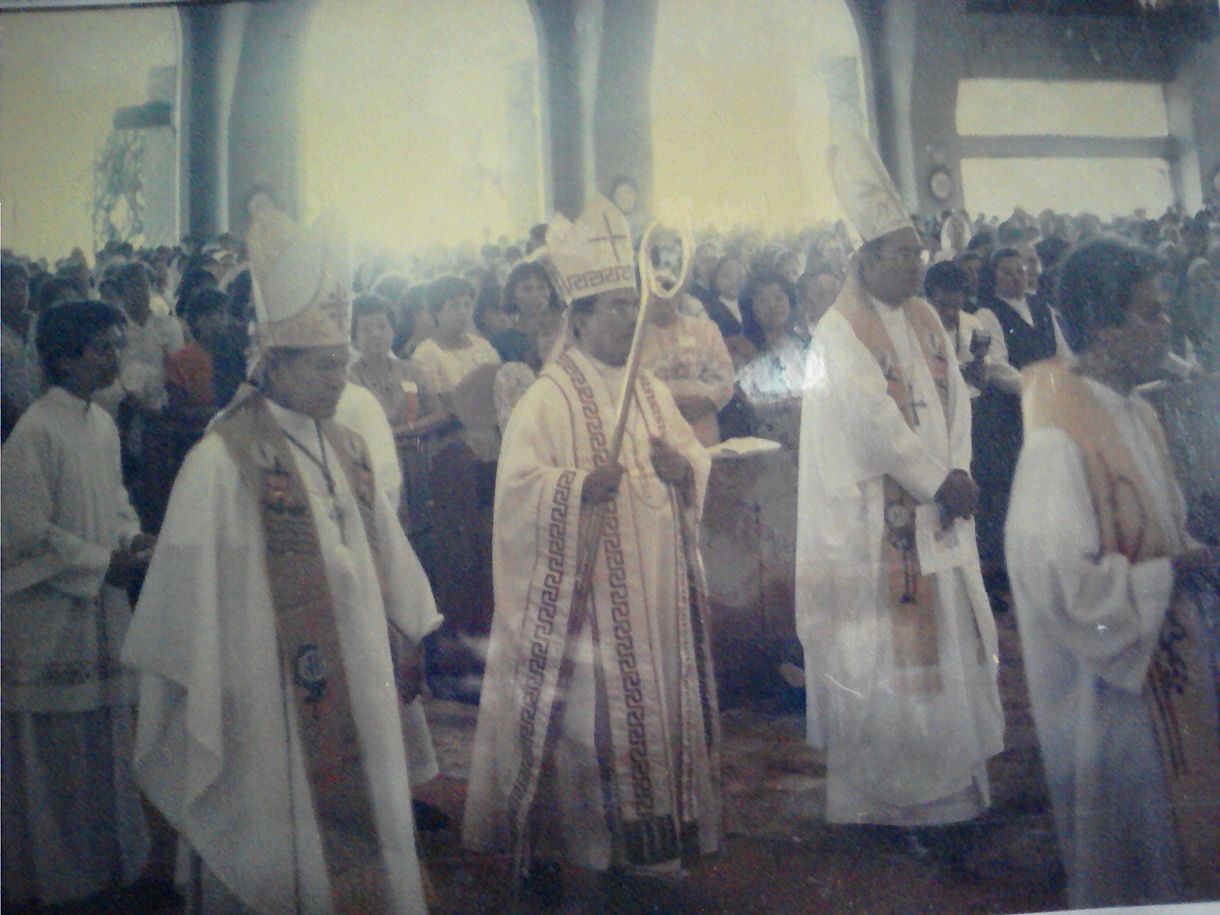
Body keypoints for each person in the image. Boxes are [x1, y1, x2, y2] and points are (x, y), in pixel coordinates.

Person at [121, 199, 440, 913]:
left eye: (344, 364)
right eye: (326, 367)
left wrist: (405, 628)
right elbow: (189, 604)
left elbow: (386, 555)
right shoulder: (223, 459)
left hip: (357, 676)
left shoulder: (348, 445)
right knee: (284, 839)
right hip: (268, 693)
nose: (340, 381)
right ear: (275, 361)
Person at [463, 196, 721, 899]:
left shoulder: (648, 390)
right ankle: (589, 849)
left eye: (630, 303)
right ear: (577, 318)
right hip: (591, 602)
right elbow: (516, 495)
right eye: (613, 306)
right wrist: (576, 489)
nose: (626, 316)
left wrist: (682, 473)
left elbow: (693, 458)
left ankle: (657, 842)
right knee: (590, 725)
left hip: (653, 589)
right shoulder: (546, 399)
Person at [795, 131, 1003, 844]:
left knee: (947, 645)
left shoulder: (923, 317)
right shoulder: (838, 330)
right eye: (905, 254)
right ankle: (895, 801)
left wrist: (962, 468)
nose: (920, 264)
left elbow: (957, 404)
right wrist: (935, 478)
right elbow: (868, 419)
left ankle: (954, 787)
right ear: (864, 258)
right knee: (890, 655)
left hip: (938, 511)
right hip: (880, 524)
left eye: (920, 251)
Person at [1006, 238, 1220, 907]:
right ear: (1102, 325)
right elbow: (1059, 585)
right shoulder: (1056, 438)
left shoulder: (1140, 412)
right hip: (1111, 695)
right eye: (1152, 314)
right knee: (1134, 854)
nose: (1168, 327)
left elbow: (1162, 528)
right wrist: (1170, 575)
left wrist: (1189, 555)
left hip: (1164, 658)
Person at [2, 300, 154, 909]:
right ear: (65, 358)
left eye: (119, 344)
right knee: (56, 755)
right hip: (49, 619)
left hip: (99, 608)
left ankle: (108, 869)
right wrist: (102, 563)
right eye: (103, 347)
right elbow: (24, 532)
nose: (116, 357)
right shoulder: (35, 431)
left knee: (104, 745)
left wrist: (131, 535)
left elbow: (114, 499)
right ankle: (54, 880)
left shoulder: (100, 422)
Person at [972, 247, 1072, 607]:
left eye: (1021, 270)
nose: (1016, 278)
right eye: (1007, 272)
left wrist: (1065, 382)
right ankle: (1009, 573)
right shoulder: (987, 314)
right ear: (994, 277)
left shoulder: (1042, 308)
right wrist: (1037, 388)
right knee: (1012, 493)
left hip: (1046, 410)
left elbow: (1063, 353)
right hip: (1007, 418)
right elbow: (995, 367)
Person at [638, 269, 735, 446]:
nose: (663, 296)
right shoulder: (633, 338)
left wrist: (708, 404)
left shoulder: (706, 330)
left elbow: (726, 376)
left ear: (680, 293)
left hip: (702, 426)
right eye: (655, 290)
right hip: (656, 431)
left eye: (669, 288)